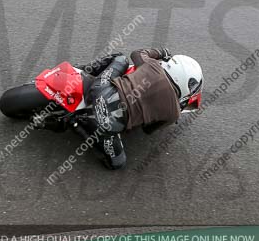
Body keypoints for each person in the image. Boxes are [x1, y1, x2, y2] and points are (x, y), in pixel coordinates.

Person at [71, 48, 203, 170]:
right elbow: (147, 130)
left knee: (120, 58)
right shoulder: (174, 114)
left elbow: (137, 53)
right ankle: (78, 124)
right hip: (109, 125)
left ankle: (80, 71)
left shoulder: (152, 65)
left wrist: (161, 52)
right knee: (117, 163)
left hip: (99, 90)